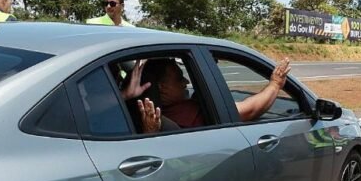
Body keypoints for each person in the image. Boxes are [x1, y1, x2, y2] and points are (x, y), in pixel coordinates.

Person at [121, 57, 292, 132]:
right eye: (179, 78)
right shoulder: (184, 115)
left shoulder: (129, 112)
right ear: (162, 87)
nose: (186, 82)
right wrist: (275, 84)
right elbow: (250, 110)